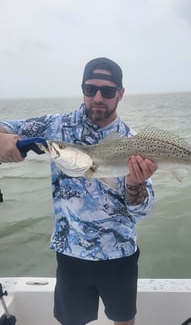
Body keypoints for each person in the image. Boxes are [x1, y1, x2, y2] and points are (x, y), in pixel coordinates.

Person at [0, 57, 157, 325]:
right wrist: (5, 140)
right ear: (82, 89)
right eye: (90, 88)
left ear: (120, 93)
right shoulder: (56, 127)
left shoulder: (133, 141)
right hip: (71, 252)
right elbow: (7, 127)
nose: (97, 97)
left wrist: (135, 184)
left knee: (124, 320)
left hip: (119, 254)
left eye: (107, 91)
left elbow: (142, 212)